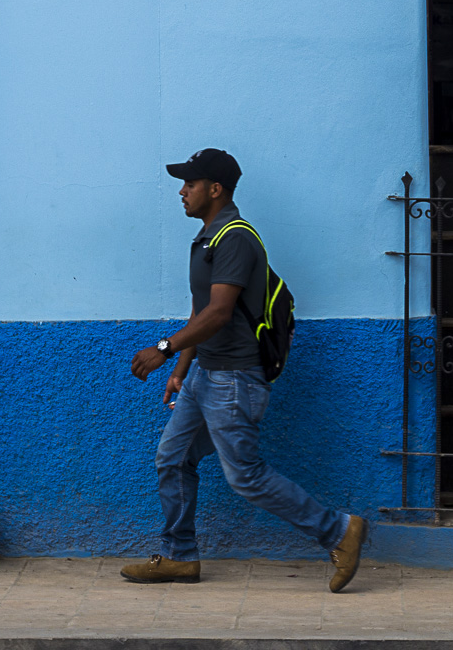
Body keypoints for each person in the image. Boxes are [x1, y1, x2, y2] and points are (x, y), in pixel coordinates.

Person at [122, 147, 368, 590]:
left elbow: (219, 313)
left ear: (215, 189)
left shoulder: (234, 238)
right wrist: (181, 367)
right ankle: (180, 556)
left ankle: (339, 530)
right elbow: (202, 312)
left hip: (234, 379)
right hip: (205, 376)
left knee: (245, 476)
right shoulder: (207, 239)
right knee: (172, 458)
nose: (182, 192)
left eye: (190, 184)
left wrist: (163, 347)